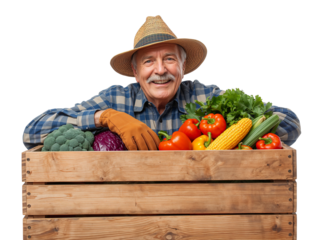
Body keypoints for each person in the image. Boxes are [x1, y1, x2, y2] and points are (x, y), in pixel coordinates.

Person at [21, 14, 302, 150]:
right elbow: (31, 133)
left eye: (169, 59)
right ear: (135, 72)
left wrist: (242, 129)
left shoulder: (206, 98)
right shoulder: (114, 99)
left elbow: (291, 124)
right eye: (148, 61)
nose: (160, 70)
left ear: (183, 68)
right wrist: (102, 116)